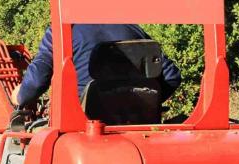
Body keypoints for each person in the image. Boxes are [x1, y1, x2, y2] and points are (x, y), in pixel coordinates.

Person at [12, 24, 182, 107]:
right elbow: (172, 76)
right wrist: (144, 104)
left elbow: (36, 83)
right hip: (137, 125)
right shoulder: (133, 28)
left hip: (83, 127)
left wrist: (20, 96)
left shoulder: (63, 32)